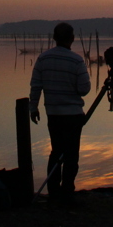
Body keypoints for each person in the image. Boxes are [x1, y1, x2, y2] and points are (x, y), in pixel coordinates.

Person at [29, 22, 91, 206]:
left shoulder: (43, 59)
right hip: (73, 115)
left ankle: (53, 191)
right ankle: (67, 191)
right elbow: (84, 89)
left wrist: (33, 108)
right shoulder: (77, 61)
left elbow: (36, 86)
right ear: (72, 38)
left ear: (54, 38)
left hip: (53, 114)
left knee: (56, 151)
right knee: (72, 154)